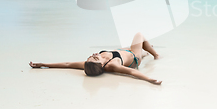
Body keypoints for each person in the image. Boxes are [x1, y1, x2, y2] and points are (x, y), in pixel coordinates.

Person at [29, 32, 162, 85]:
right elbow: (133, 73)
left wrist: (43, 64)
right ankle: (156, 55)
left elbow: (67, 64)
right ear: (102, 65)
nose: (93, 55)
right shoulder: (112, 65)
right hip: (133, 58)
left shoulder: (90, 64)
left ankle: (146, 52)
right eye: (95, 58)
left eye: (91, 57)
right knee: (139, 36)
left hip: (121, 52)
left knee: (136, 48)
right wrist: (150, 79)